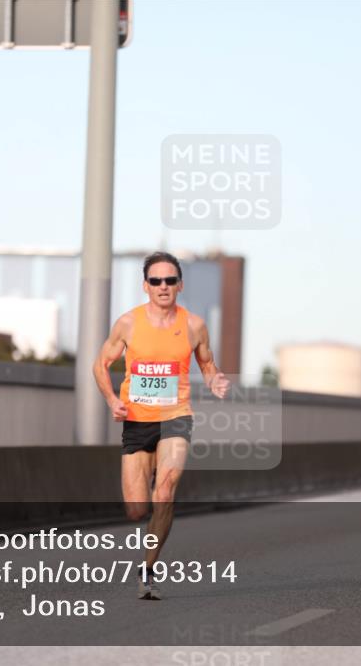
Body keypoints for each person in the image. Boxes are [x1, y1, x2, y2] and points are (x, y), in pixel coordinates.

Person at [93, 251, 230, 600]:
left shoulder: (194, 325)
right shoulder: (128, 323)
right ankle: (147, 490)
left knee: (165, 490)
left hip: (175, 416)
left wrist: (215, 382)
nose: (163, 286)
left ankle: (148, 569)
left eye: (170, 280)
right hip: (137, 420)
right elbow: (101, 364)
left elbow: (208, 364)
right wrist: (112, 400)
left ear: (180, 285)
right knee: (137, 507)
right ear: (146, 286)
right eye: (156, 281)